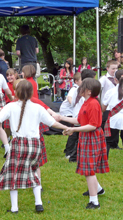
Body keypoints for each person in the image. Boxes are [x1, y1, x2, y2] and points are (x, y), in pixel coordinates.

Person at [0, 80, 67, 213]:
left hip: (19, 144)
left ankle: (14, 208)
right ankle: (38, 203)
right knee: (34, 170)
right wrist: (67, 128)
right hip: (35, 144)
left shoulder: (10, 106)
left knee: (13, 174)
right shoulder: (38, 107)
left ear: (16, 93)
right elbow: (53, 123)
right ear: (31, 93)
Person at [61, 78, 108, 209]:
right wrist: (61, 117)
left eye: (81, 87)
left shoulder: (93, 104)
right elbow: (80, 120)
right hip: (86, 137)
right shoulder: (86, 102)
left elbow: (92, 126)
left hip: (92, 137)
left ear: (88, 91)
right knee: (87, 167)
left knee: (89, 170)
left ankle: (94, 201)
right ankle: (97, 189)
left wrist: (73, 129)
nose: (78, 89)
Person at [66, 69, 96, 162]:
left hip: (78, 114)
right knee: (76, 136)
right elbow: (74, 101)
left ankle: (71, 153)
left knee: (76, 135)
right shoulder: (80, 90)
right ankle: (72, 155)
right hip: (80, 115)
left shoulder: (79, 89)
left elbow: (74, 102)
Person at [59, 72, 82, 159]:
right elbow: (70, 98)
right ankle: (69, 152)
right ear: (76, 81)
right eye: (81, 80)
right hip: (68, 112)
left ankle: (70, 150)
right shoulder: (74, 89)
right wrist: (75, 105)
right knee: (73, 132)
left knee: (74, 132)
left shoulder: (79, 88)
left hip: (72, 112)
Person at [99, 60, 121, 150]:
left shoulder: (119, 78)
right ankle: (107, 142)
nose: (115, 70)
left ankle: (114, 144)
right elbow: (99, 92)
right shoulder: (103, 79)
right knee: (108, 125)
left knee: (116, 127)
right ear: (107, 68)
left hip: (117, 107)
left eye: (116, 68)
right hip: (106, 106)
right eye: (113, 68)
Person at [102, 69, 123, 157]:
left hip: (113, 117)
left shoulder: (110, 92)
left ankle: (103, 161)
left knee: (108, 141)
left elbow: (103, 108)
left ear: (115, 79)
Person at [2, 68, 17, 141]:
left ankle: (16, 137)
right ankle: (7, 138)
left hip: (17, 105)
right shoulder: (6, 85)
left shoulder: (18, 84)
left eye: (11, 75)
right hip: (8, 105)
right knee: (7, 124)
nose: (9, 77)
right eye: (7, 75)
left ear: (15, 75)